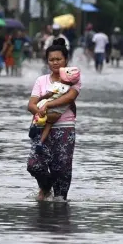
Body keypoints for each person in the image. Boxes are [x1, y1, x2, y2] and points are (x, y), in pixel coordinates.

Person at [27, 38, 81, 201]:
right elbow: (31, 104)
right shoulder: (41, 80)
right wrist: (40, 112)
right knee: (34, 165)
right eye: (51, 60)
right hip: (41, 127)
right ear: (47, 61)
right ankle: (45, 186)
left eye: (58, 59)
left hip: (65, 129)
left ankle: (59, 217)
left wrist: (48, 104)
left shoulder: (73, 79)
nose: (55, 63)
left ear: (66, 60)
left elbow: (69, 97)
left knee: (62, 173)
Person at [30, 66, 81, 154]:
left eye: (61, 76)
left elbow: (49, 95)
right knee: (49, 124)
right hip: (58, 111)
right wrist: (75, 114)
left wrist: (41, 98)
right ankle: (41, 142)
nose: (59, 77)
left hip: (47, 105)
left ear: (64, 79)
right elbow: (71, 103)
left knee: (37, 110)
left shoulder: (57, 85)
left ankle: (33, 125)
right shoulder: (69, 89)